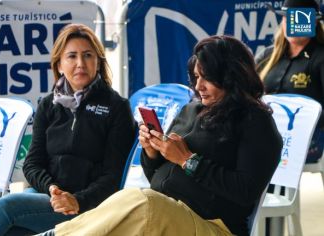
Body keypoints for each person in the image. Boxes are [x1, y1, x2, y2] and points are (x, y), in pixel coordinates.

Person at [36, 35, 283, 236]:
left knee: (145, 202)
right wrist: (153, 153)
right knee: (136, 199)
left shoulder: (255, 121)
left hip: (214, 226)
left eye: (207, 78)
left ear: (230, 75)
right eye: (196, 77)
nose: (198, 86)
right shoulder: (192, 109)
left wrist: (188, 160)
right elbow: (157, 175)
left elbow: (246, 191)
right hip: (168, 214)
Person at [0, 23, 135, 236]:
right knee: (11, 231)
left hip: (89, 207)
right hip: (50, 197)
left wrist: (77, 200)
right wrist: (52, 189)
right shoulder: (48, 105)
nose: (80, 63)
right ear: (59, 65)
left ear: (98, 61)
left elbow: (113, 176)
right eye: (72, 56)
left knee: (7, 206)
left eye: (87, 55)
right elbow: (32, 164)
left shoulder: (117, 107)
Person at [256, 0, 324, 163]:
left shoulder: (321, 57)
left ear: (313, 22)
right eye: (287, 19)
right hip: (265, 133)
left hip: (309, 138)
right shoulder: (267, 55)